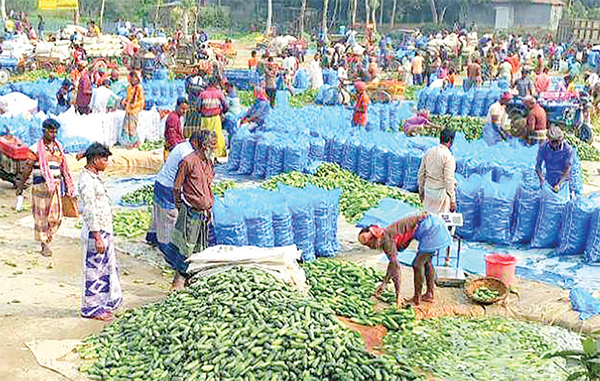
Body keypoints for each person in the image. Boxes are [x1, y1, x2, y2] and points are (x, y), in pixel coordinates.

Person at [358, 212, 452, 307]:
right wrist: (384, 283)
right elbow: (392, 263)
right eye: (367, 245)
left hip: (431, 228)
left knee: (417, 264)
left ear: (375, 237)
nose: (370, 247)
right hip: (433, 223)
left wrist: (398, 295)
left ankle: (417, 298)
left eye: (369, 243)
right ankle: (429, 294)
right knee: (426, 262)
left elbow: (396, 268)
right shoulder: (385, 237)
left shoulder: (386, 239)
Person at [15, 119, 75, 257]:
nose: (53, 134)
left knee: (56, 217)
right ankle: (44, 244)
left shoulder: (59, 147)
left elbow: (63, 168)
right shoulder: (35, 148)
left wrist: (68, 185)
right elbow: (28, 167)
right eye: (50, 131)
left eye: (55, 131)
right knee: (41, 216)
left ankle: (47, 236)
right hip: (41, 186)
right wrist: (21, 185)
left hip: (56, 186)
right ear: (44, 131)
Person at [77, 143, 122, 321]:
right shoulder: (87, 181)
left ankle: (102, 304)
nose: (107, 162)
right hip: (95, 232)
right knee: (94, 271)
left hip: (104, 229)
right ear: (95, 160)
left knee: (104, 269)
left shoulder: (94, 176)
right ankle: (91, 308)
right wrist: (97, 237)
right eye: (104, 159)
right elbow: (89, 210)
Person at [167, 130, 215, 289]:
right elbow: (176, 187)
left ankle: (190, 282)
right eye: (211, 144)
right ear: (203, 145)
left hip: (203, 214)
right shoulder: (188, 161)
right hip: (190, 212)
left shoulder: (208, 163)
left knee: (199, 249)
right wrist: (181, 207)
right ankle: (177, 285)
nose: (214, 147)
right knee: (186, 249)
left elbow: (208, 186)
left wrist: (209, 207)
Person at [146, 139, 194, 249]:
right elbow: (179, 184)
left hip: (160, 181)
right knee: (169, 219)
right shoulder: (187, 155)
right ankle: (165, 248)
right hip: (168, 187)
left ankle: (153, 240)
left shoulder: (183, 146)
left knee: (158, 213)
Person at [418, 128, 457, 213]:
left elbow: (421, 174)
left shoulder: (429, 152)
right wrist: (452, 200)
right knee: (440, 222)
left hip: (428, 191)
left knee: (427, 219)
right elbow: (448, 180)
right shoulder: (448, 157)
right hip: (440, 195)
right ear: (450, 140)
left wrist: (421, 192)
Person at [536, 126, 573, 193]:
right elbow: (538, 166)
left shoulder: (567, 149)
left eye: (557, 141)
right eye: (553, 142)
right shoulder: (543, 147)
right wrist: (542, 180)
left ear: (561, 139)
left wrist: (559, 184)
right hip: (549, 178)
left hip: (563, 180)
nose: (555, 144)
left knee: (562, 201)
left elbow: (567, 168)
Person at [198, 77, 227, 158]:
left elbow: (198, 106)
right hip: (215, 117)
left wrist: (202, 111)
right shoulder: (219, 93)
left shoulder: (203, 94)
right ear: (215, 84)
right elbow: (225, 105)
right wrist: (222, 112)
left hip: (205, 118)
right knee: (217, 135)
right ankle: (217, 154)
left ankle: (204, 153)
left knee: (204, 135)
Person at [120, 71, 145, 148]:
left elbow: (141, 100)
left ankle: (135, 142)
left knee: (132, 126)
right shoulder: (129, 87)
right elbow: (128, 98)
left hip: (134, 110)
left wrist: (134, 105)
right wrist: (125, 101)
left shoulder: (139, 88)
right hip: (128, 110)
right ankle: (128, 142)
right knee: (126, 127)